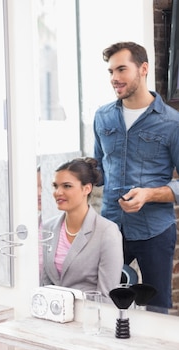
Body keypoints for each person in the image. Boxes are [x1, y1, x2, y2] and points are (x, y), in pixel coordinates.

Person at [93, 41, 179, 311]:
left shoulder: (172, 123)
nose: (115, 79)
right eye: (110, 72)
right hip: (109, 227)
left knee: (157, 309)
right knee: (104, 301)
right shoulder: (102, 117)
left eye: (121, 69)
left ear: (143, 69)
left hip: (154, 231)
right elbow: (98, 170)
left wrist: (149, 194)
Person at [41, 158, 123, 300]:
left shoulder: (107, 232)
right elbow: (44, 282)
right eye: (55, 186)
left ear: (87, 188)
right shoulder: (47, 227)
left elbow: (106, 297)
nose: (58, 192)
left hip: (90, 315)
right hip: (53, 314)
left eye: (67, 186)